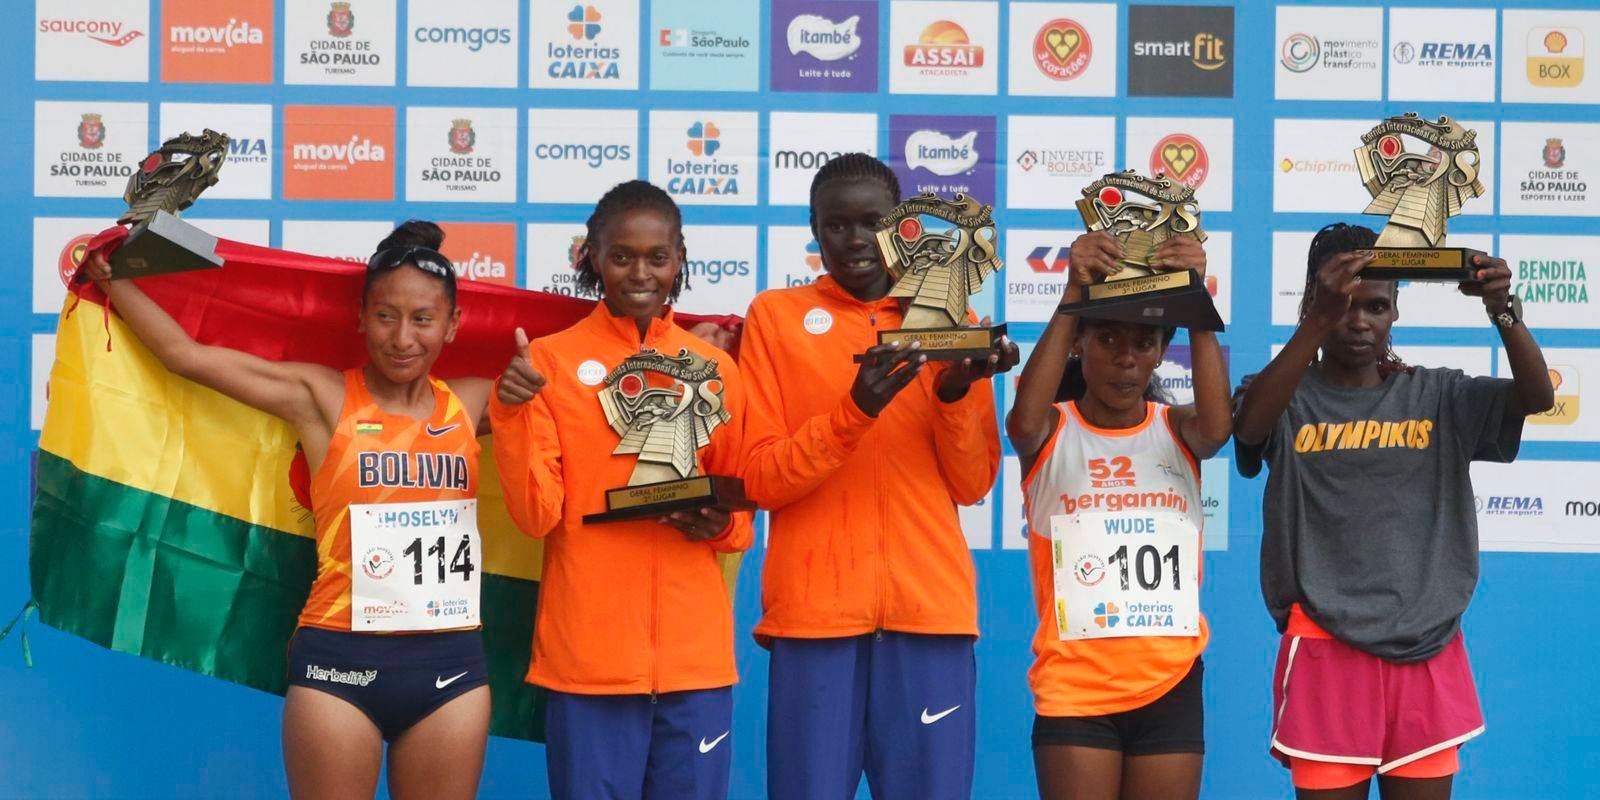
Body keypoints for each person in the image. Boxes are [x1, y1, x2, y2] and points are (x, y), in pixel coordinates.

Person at [86, 221, 496, 800]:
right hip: (340, 661)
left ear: (453, 325)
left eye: (423, 319)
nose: (403, 337)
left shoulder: (477, 401)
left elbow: (587, 403)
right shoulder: (322, 398)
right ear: (360, 317)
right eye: (385, 315)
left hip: (449, 665)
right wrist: (116, 282)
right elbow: (185, 357)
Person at [1233, 223, 1555, 799]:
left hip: (1425, 645)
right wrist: (1314, 322)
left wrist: (1503, 311)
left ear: (1396, 311)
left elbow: (1536, 397)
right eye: (1344, 306)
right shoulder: (1283, 395)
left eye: (1377, 306)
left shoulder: (1437, 394)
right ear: (1314, 302)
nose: (1359, 322)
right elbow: (1251, 430)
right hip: (1325, 646)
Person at [736, 153, 1019, 799]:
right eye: (836, 225)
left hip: (930, 616)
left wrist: (952, 395)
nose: (855, 239)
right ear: (813, 228)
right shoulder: (776, 318)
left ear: (903, 226)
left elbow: (973, 484)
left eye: (872, 222)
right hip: (815, 621)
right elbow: (759, 479)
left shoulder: (950, 320)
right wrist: (855, 410)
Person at [489, 180, 753, 800]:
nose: (641, 272)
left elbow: (742, 514)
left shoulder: (715, 369)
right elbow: (536, 515)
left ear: (680, 260)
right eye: (621, 256)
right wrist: (511, 413)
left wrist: (718, 524)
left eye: (657, 257)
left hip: (696, 664)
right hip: (589, 664)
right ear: (592, 259)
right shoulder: (550, 363)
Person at [1006, 231, 1230, 800]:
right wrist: (1072, 292)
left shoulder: (1178, 429)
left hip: (1170, 683)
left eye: (1144, 342)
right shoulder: (1051, 432)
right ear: (1080, 343)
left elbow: (1219, 427)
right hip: (1076, 686)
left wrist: (1196, 296)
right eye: (1106, 338)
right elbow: (1021, 423)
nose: (1125, 359)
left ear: (1161, 350)